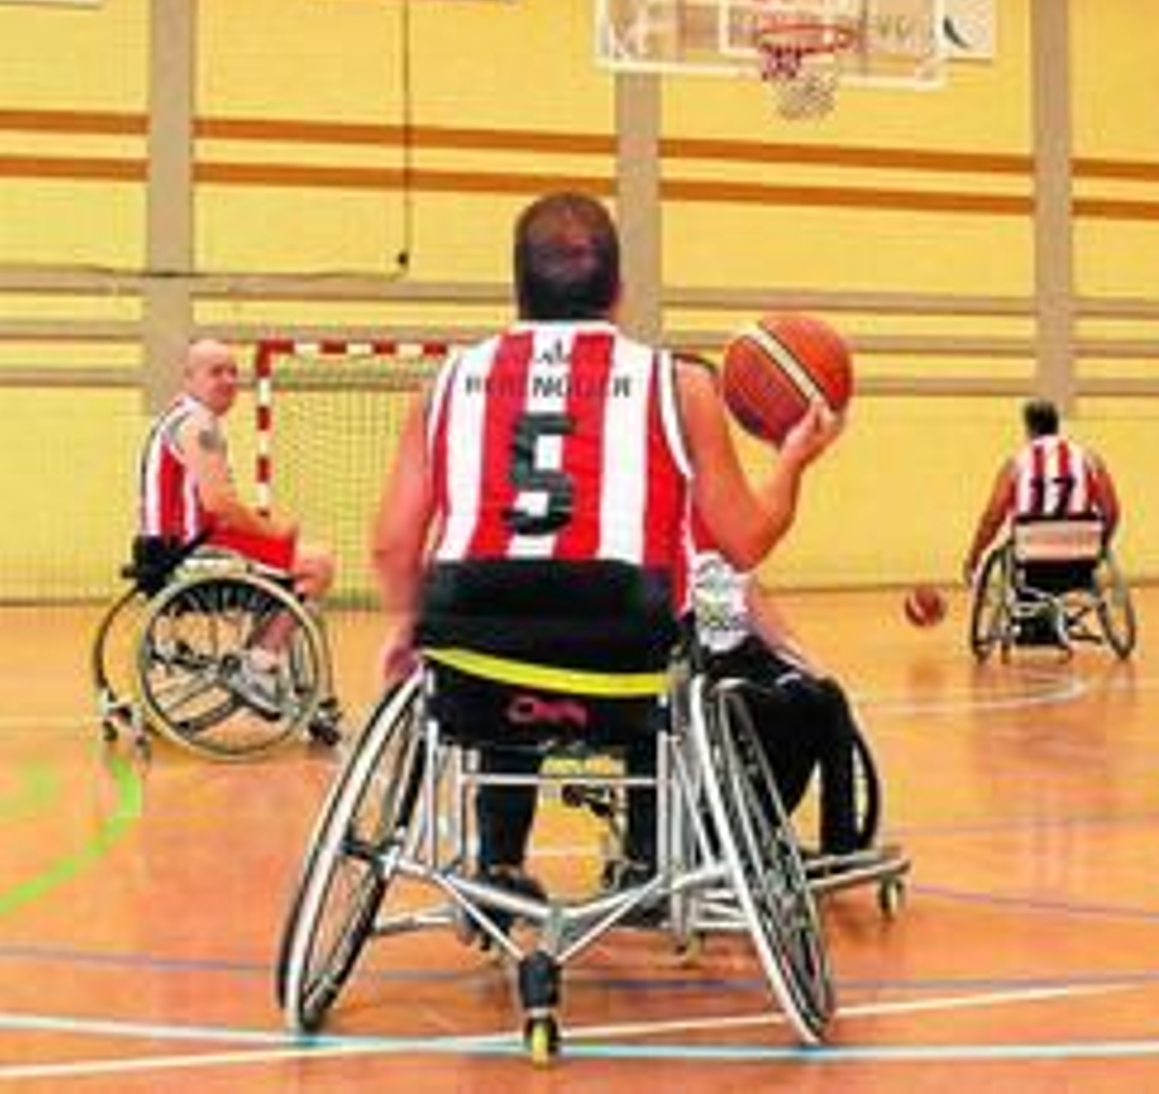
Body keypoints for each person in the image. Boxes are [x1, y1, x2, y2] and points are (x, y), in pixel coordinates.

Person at [371, 191, 842, 907]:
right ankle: (648, 863)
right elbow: (743, 541)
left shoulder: (445, 382)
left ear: (517, 289)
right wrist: (791, 462)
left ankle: (497, 860)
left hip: (476, 654)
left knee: (502, 615)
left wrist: (406, 624)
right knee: (644, 640)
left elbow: (391, 544)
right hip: (625, 660)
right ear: (618, 293)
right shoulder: (679, 384)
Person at [137, 337, 341, 741]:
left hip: (175, 550)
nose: (229, 380)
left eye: (233, 372)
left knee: (301, 559)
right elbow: (220, 504)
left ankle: (258, 656)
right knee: (318, 565)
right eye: (216, 372)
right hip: (189, 554)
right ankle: (257, 665)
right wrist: (272, 531)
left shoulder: (182, 419)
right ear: (189, 378)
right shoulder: (197, 425)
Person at [686, 523, 863, 857]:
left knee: (827, 698)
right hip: (707, 669)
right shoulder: (670, 554)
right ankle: (740, 830)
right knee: (774, 711)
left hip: (751, 659)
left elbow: (773, 630)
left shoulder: (729, 552)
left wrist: (816, 668)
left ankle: (840, 843)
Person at [961, 399, 1120, 637]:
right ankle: (1050, 621)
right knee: (1071, 552)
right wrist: (1101, 544)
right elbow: (1112, 511)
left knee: (1014, 551)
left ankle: (1035, 622)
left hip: (1033, 558)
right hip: (1081, 557)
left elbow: (992, 516)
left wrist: (974, 556)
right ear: (1057, 425)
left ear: (1029, 428)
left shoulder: (1017, 462)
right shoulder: (1089, 459)